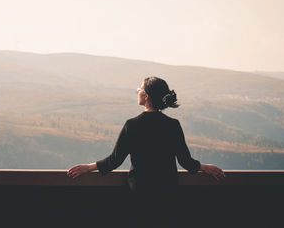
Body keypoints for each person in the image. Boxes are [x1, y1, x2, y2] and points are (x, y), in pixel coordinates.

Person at [67, 76, 225, 227]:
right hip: (166, 191)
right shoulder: (172, 125)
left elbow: (115, 160)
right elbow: (186, 162)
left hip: (140, 192)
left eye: (140, 88)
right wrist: (206, 168)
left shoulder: (132, 125)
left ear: (147, 96)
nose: (137, 91)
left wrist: (88, 168)